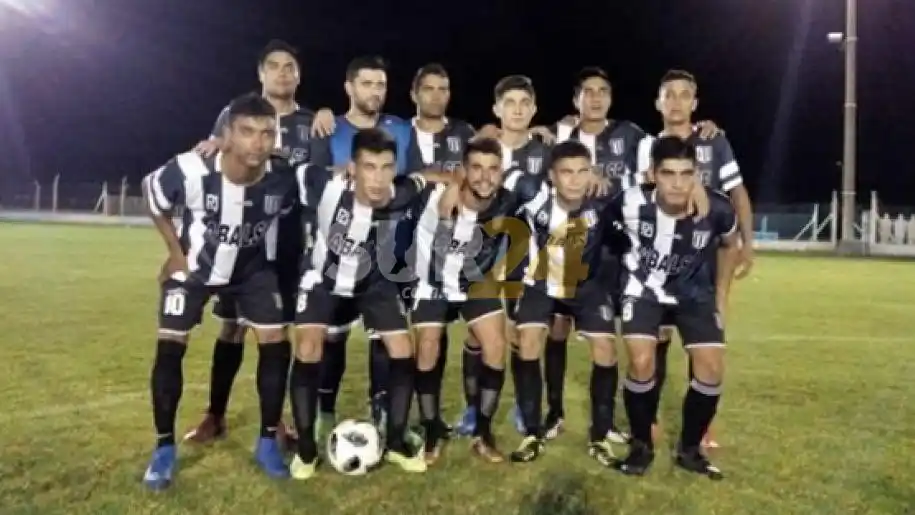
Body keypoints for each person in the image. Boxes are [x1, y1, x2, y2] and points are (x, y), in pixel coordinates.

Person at [140, 93, 297, 490]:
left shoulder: (283, 175)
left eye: (267, 133)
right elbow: (152, 194)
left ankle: (267, 443)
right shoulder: (191, 169)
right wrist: (174, 253)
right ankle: (164, 449)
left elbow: (287, 213)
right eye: (247, 132)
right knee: (170, 346)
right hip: (194, 269)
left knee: (276, 341)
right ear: (226, 135)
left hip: (252, 271)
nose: (257, 143)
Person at [287, 128, 459, 479]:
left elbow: (429, 178)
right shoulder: (324, 185)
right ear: (353, 168)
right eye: (369, 167)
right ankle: (305, 451)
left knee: (402, 350)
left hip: (374, 282)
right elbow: (282, 168)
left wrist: (454, 180)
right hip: (323, 280)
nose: (378, 178)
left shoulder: (402, 192)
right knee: (308, 347)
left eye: (386, 167)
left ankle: (394, 442)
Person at [183, 40, 321, 446]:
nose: (282, 73)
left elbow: (315, 179)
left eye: (290, 66)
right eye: (274, 66)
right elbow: (215, 161)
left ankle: (275, 422)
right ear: (261, 73)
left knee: (278, 334)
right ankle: (215, 415)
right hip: (243, 246)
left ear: (299, 75)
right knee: (232, 329)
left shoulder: (312, 122)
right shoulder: (235, 113)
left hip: (290, 245)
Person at [408, 138, 549, 464]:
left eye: (493, 169)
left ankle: (482, 432)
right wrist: (449, 181)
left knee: (496, 345)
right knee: (428, 346)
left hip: (475, 283)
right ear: (463, 170)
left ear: (502, 172)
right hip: (432, 283)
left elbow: (549, 190)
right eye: (476, 168)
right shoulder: (433, 196)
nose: (485, 177)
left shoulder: (508, 199)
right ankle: (432, 429)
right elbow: (410, 178)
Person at [609, 136, 739, 480]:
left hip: (694, 293)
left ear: (697, 174)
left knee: (711, 368)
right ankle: (641, 446)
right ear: (653, 174)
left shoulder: (718, 207)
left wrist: (721, 295)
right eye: (668, 174)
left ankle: (690, 450)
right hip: (643, 291)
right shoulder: (630, 202)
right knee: (641, 362)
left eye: (686, 174)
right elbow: (605, 231)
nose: (678, 184)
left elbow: (730, 245)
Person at [636, 69, 750, 447]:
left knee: (704, 336)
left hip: (707, 257)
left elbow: (737, 192)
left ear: (695, 103)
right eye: (669, 95)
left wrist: (747, 243)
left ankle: (703, 423)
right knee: (658, 337)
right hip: (660, 258)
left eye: (684, 95)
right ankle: (650, 416)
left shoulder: (714, 142)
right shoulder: (646, 145)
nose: (676, 102)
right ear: (658, 103)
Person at [506, 141, 617, 463]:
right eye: (566, 172)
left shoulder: (603, 197)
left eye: (583, 171)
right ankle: (532, 432)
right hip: (540, 283)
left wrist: (695, 188)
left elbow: (649, 181)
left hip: (586, 286)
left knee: (606, 349)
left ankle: (600, 436)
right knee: (528, 341)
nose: (575, 179)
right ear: (552, 176)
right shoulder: (532, 192)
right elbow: (496, 171)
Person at [453, 75, 552, 437]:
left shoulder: (547, 153)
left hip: (527, 259)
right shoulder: (480, 149)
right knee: (477, 336)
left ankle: (525, 409)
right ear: (496, 109)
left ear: (534, 109)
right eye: (510, 103)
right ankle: (472, 408)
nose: (518, 110)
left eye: (524, 103)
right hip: (482, 258)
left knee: (525, 338)